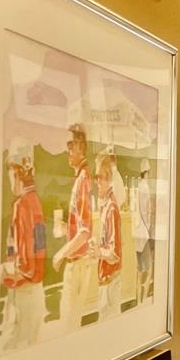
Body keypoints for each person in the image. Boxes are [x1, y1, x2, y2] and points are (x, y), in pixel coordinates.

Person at [0, 137, 47, 350]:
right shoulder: (35, 202)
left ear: (18, 171)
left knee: (11, 348)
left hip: (23, 296)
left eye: (11, 169)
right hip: (36, 294)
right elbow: (39, 250)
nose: (9, 176)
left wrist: (4, 273)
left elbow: (25, 266)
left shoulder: (21, 206)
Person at [52, 123, 94, 331]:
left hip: (77, 263)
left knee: (68, 325)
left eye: (71, 145)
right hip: (79, 262)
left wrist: (61, 253)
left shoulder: (82, 181)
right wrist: (64, 226)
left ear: (81, 146)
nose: (67, 150)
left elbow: (85, 231)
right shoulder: (81, 178)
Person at [95, 152, 122, 320]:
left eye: (100, 177)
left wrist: (98, 253)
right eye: (96, 176)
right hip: (106, 281)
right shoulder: (105, 206)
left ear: (109, 178)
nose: (97, 181)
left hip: (110, 283)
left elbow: (114, 255)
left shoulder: (111, 209)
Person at [134, 158, 155, 303]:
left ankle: (137, 299)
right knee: (149, 269)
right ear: (147, 172)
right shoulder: (146, 188)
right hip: (144, 232)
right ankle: (143, 300)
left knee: (139, 269)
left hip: (137, 233)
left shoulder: (138, 187)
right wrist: (148, 228)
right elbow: (146, 210)